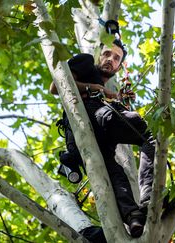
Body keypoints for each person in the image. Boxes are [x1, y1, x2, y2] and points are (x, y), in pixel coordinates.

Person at [50, 39, 155, 239]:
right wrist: (98, 89)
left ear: (119, 66)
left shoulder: (105, 88)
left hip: (95, 134)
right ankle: (149, 198)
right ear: (99, 54)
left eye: (116, 58)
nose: (110, 60)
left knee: (115, 173)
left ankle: (133, 217)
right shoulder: (86, 61)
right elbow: (57, 86)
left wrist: (118, 100)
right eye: (107, 54)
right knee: (149, 133)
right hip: (88, 118)